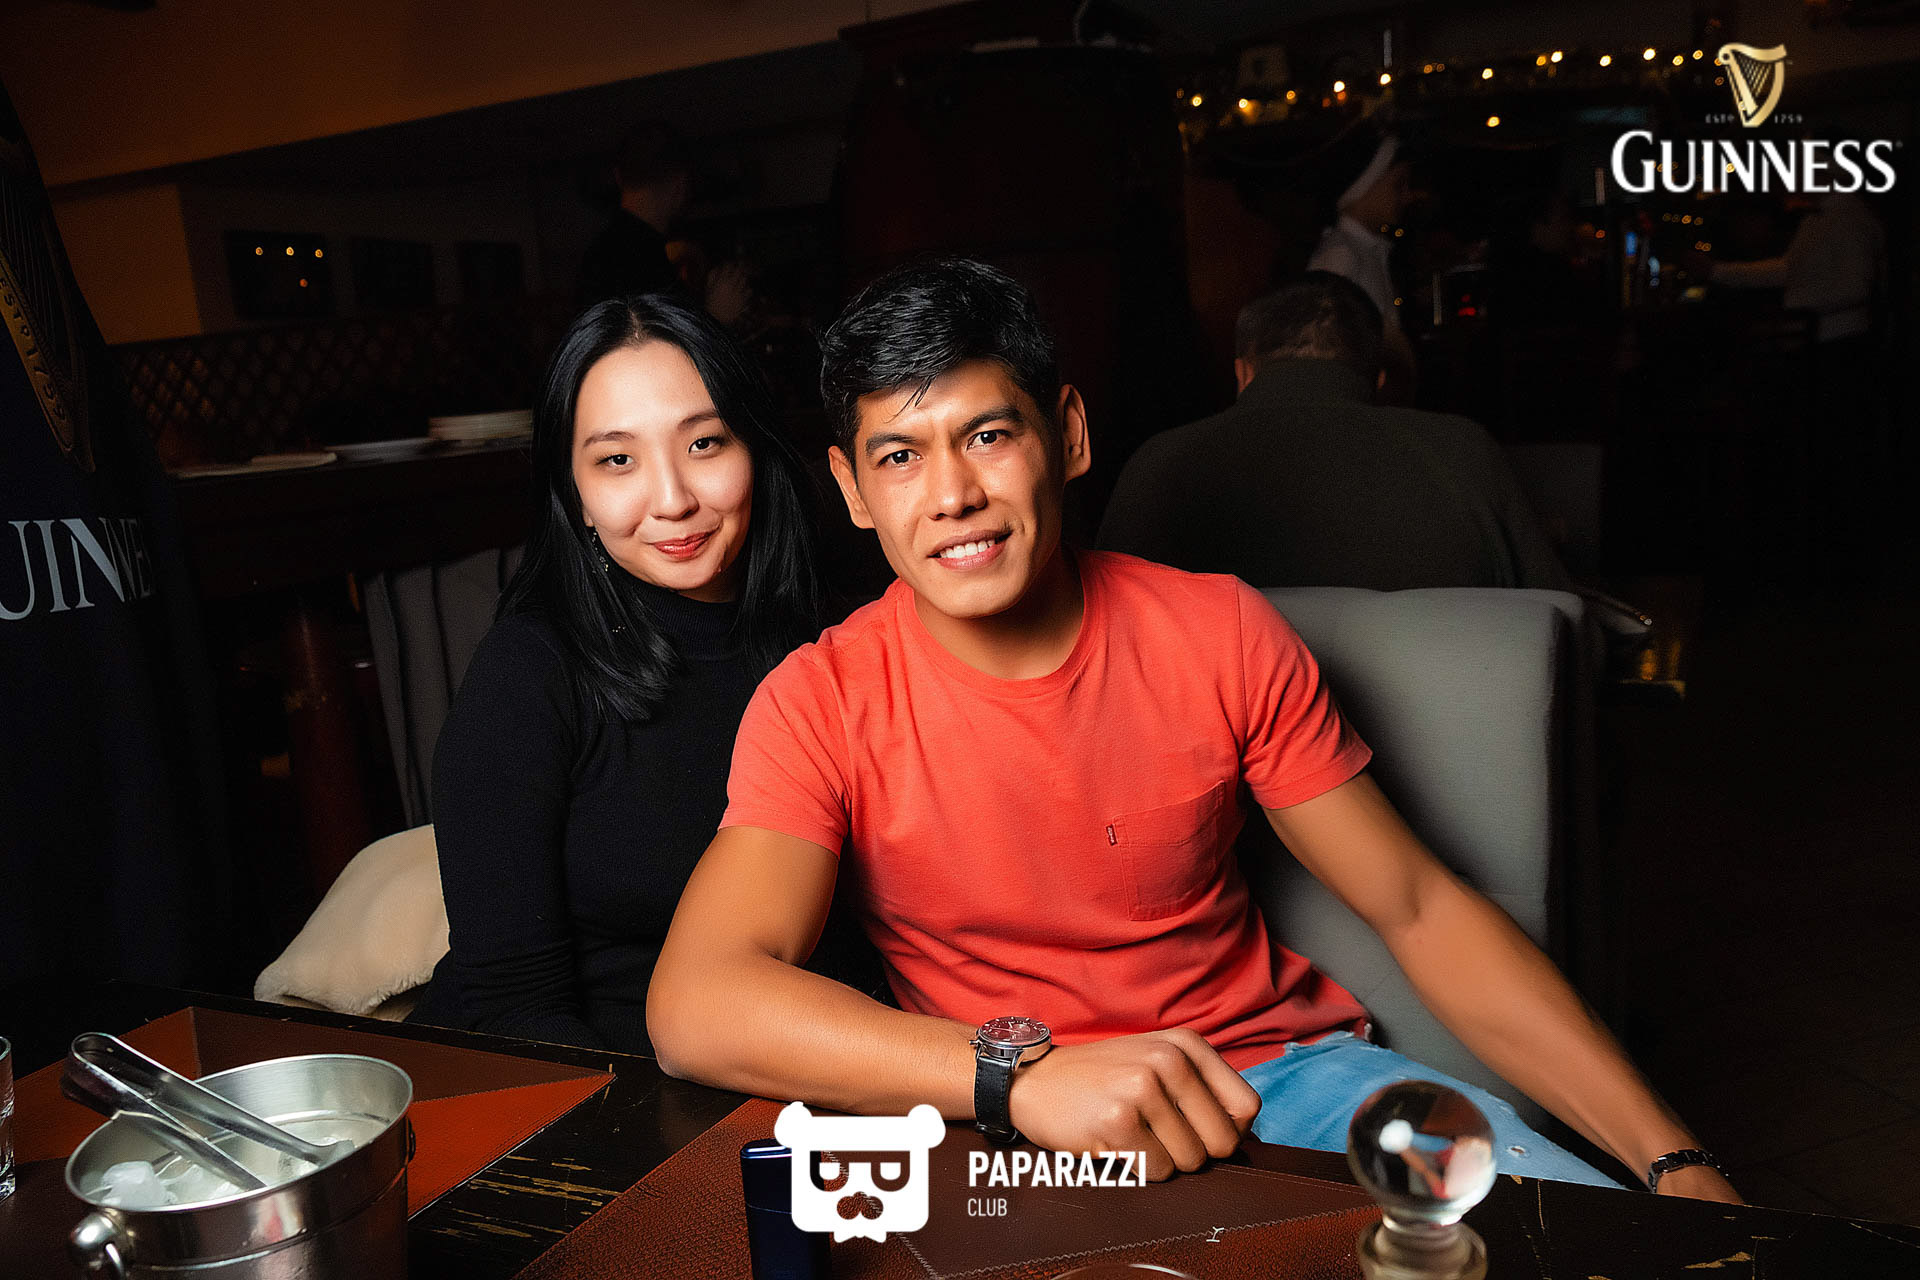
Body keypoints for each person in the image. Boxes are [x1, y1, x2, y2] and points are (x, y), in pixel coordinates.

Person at [648, 259, 1736, 1201]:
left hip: (1280, 1080)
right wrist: (1016, 1079)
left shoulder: (1218, 631)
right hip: (1011, 1132)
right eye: (899, 456)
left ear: (1068, 435)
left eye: (988, 435)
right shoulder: (822, 697)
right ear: (850, 489)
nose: (952, 496)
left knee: (1583, 1235)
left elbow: (1418, 907)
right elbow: (698, 1003)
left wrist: (1673, 1159)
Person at [410, 293, 856, 1052]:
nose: (673, 500)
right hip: (591, 1071)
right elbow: (512, 1004)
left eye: (705, 444)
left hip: (800, 1060)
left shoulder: (844, 638)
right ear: (576, 495)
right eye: (618, 460)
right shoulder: (530, 672)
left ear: (754, 448)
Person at [1097, 272, 1572, 592]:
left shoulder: (1160, 461)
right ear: (1379, 380)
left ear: (1242, 374)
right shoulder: (1465, 449)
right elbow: (1559, 621)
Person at [576, 122, 749, 323]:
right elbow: (649, 338)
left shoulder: (601, 254)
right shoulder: (644, 260)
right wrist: (716, 316)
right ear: (681, 184)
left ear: (618, 176)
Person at [1307, 129, 1415, 397]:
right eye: (1398, 184)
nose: (1406, 196)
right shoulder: (1341, 254)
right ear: (1366, 184)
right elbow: (1321, 347)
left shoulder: (1370, 250)